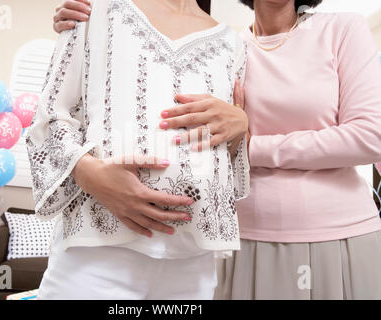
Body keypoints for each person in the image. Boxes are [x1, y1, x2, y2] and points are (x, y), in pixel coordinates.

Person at [56, 0, 381, 299]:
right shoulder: (225, 45)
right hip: (241, 243)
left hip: (338, 238)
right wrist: (86, 26)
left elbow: (371, 135)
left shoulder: (342, 29)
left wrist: (250, 145)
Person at [28, 0, 249, 299]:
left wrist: (240, 125)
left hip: (192, 263)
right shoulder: (95, 11)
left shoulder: (232, 44)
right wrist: (89, 173)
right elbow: (51, 114)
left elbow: (224, 155)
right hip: (96, 255)